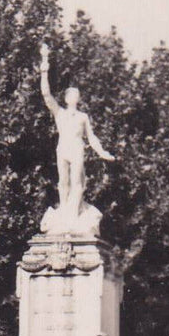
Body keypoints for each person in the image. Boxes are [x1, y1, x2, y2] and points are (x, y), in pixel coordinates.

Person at [39, 42, 115, 219]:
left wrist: (101, 152)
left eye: (77, 95)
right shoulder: (60, 113)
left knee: (77, 181)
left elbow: (92, 137)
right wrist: (44, 68)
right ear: (66, 98)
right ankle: (65, 212)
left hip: (77, 149)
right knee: (63, 181)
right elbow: (46, 95)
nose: (74, 98)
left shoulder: (83, 117)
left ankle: (73, 213)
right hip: (63, 149)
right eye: (71, 95)